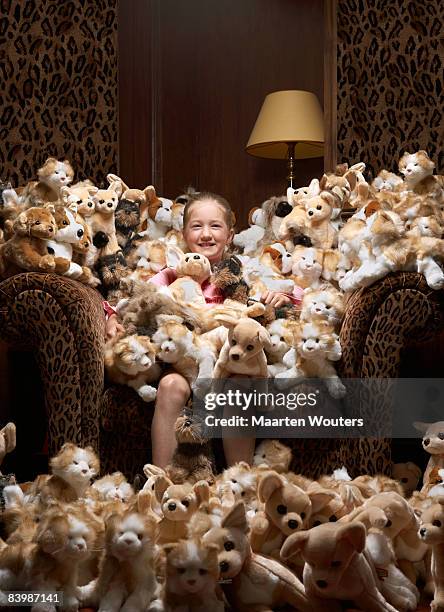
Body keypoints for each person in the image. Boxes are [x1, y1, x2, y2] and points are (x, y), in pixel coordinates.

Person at [105, 191, 303, 468]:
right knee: (169, 385)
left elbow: (294, 292)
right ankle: (161, 480)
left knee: (239, 388)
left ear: (231, 235)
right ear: (183, 233)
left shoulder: (244, 268)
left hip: (232, 363)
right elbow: (137, 298)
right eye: (197, 226)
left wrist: (280, 297)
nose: (206, 234)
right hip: (188, 361)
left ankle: (239, 482)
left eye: (215, 226)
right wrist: (112, 318)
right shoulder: (173, 273)